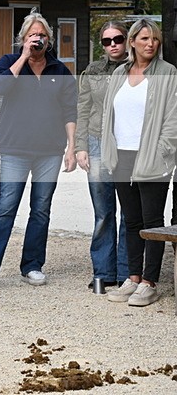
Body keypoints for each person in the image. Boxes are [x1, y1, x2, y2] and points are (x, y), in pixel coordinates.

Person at [0, 10, 77, 293]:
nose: (38, 39)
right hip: (15, 149)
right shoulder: (8, 63)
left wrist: (71, 147)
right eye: (33, 35)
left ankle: (32, 265)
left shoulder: (60, 70)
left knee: (41, 210)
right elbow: (1, 87)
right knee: (6, 208)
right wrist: (22, 57)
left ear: (50, 40)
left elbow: (70, 111)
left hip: (50, 151)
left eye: (42, 35)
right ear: (22, 39)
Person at [102, 19, 177, 307]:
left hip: (152, 157)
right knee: (130, 220)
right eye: (144, 38)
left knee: (152, 221)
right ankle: (132, 277)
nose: (151, 44)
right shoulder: (120, 73)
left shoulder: (168, 73)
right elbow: (109, 115)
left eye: (155, 39)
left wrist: (163, 151)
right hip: (122, 155)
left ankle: (149, 281)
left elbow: (172, 117)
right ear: (132, 41)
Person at [75, 21, 129, 289]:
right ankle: (104, 271)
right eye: (107, 41)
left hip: (127, 144)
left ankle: (127, 272)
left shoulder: (138, 68)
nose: (113, 45)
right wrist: (80, 147)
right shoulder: (92, 71)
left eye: (117, 39)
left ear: (126, 40)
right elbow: (82, 109)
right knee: (103, 211)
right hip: (96, 142)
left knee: (130, 210)